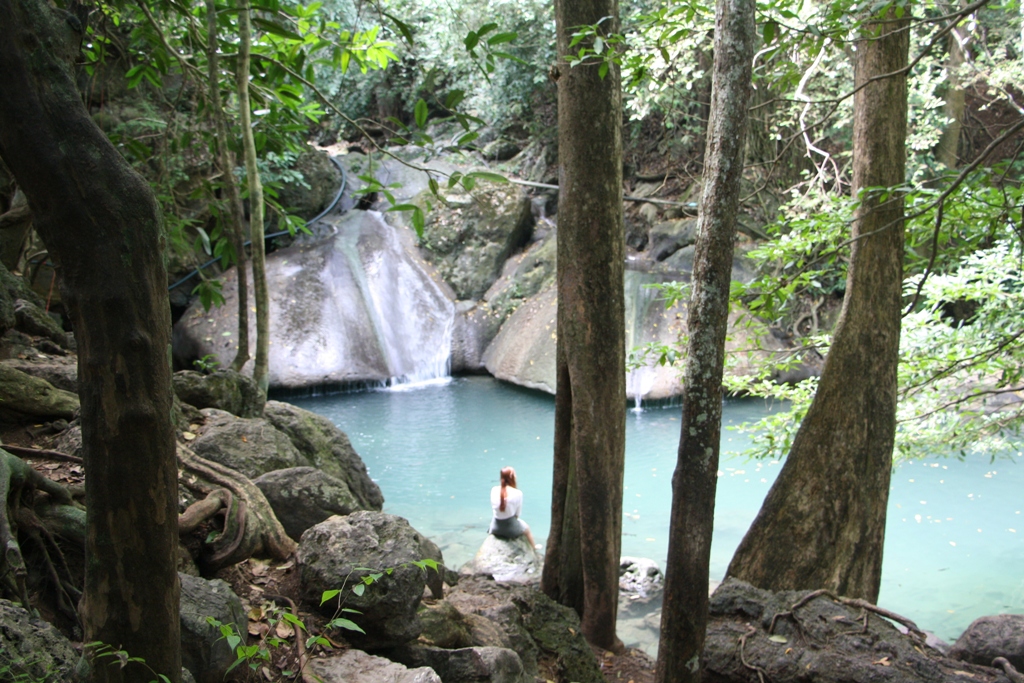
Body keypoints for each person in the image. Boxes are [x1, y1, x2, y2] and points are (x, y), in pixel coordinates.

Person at [488, 466, 538, 548]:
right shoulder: (518, 493)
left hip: (494, 527)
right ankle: (534, 548)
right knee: (526, 528)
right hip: (510, 529)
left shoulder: (494, 490)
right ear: (512, 476)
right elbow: (517, 515)